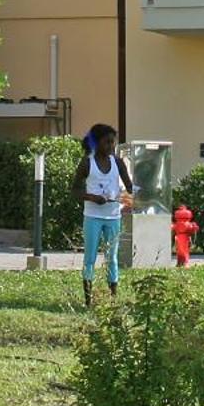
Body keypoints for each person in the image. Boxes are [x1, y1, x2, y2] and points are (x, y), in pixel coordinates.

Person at [72, 123, 132, 308]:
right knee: (89, 257)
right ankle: (88, 299)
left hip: (113, 216)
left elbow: (129, 187)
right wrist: (92, 197)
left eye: (113, 143)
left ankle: (113, 298)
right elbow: (74, 190)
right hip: (92, 216)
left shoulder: (118, 163)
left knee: (112, 258)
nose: (111, 147)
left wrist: (130, 195)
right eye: (107, 143)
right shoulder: (87, 162)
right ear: (96, 143)